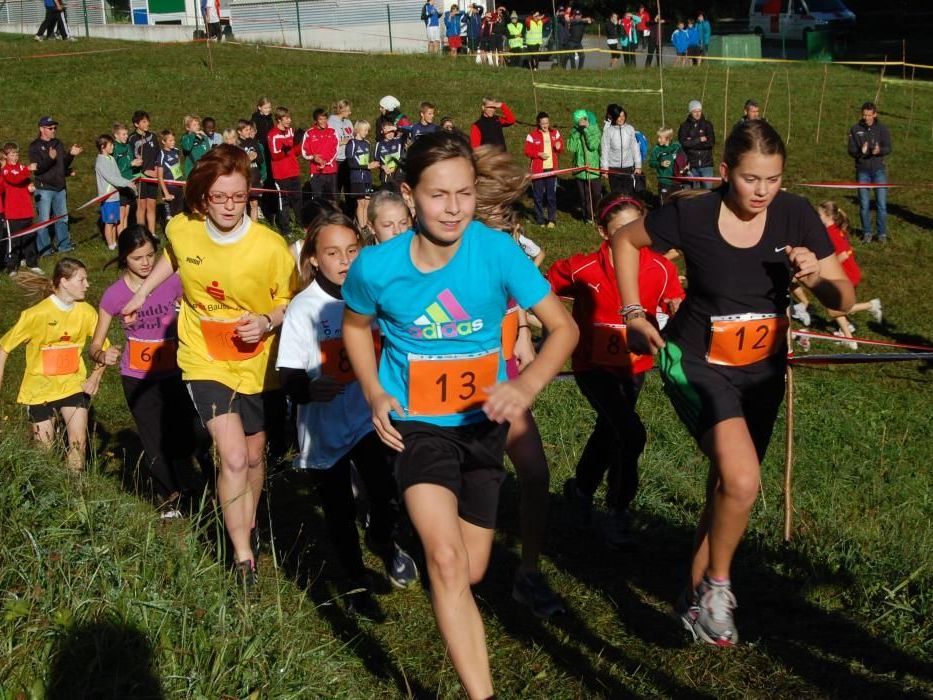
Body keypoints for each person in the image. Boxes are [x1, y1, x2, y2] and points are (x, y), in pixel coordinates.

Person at [341, 131, 577, 699]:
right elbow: (354, 327)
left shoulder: (496, 253)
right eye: (438, 195)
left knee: (469, 570)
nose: (453, 208)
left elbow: (564, 327)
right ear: (409, 195)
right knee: (447, 563)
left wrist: (525, 385)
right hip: (416, 425)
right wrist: (374, 391)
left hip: (481, 425)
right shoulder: (376, 267)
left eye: (464, 194)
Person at [612, 120, 854, 647]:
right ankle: (719, 588)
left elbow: (846, 298)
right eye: (750, 179)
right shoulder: (694, 214)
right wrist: (633, 312)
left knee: (729, 488)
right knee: (743, 480)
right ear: (725, 172)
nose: (763, 191)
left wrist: (816, 277)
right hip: (698, 363)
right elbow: (625, 241)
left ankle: (695, 598)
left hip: (762, 373)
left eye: (774, 179)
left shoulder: (796, 214)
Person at [120, 145, 298, 588]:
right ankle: (242, 558)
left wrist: (266, 320)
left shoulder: (270, 247)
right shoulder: (183, 227)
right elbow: (175, 256)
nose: (229, 206)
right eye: (219, 197)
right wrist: (142, 293)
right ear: (202, 196)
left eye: (238, 196)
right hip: (203, 355)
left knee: (253, 456)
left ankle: (247, 523)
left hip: (257, 360)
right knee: (232, 455)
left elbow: (291, 300)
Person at [277, 211, 419, 617]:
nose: (344, 261)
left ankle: (382, 540)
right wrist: (308, 390)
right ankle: (357, 585)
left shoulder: (372, 295)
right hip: (323, 431)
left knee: (385, 491)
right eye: (332, 253)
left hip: (367, 419)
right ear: (313, 258)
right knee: (339, 512)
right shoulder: (304, 308)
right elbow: (287, 375)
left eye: (351, 251)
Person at [550, 193, 684, 547]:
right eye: (622, 228)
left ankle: (580, 490)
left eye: (637, 226)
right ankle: (618, 509)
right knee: (631, 433)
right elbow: (543, 288)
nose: (631, 233)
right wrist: (551, 325)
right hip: (591, 365)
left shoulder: (661, 268)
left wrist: (676, 308)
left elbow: (675, 300)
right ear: (603, 231)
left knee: (610, 430)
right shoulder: (581, 268)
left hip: (634, 366)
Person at [471, 145, 563, 617]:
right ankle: (452, 566)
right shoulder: (445, 243)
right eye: (498, 206)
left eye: (509, 207)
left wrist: (523, 327)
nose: (506, 217)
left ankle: (528, 572)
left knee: (535, 472)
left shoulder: (504, 243)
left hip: (504, 377)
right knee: (467, 483)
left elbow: (521, 296)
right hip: (454, 384)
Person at [89, 226, 198, 518]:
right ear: (124, 258)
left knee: (185, 433)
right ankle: (168, 498)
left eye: (150, 255)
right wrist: (102, 355)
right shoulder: (114, 295)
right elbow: (95, 345)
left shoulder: (172, 281)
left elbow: (195, 308)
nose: (146, 263)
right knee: (153, 439)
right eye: (137, 258)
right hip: (137, 378)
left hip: (175, 372)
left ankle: (185, 479)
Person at [0, 259, 107, 472]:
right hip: (40, 390)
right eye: (82, 280)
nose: (87, 285)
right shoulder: (35, 315)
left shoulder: (86, 312)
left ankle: (75, 488)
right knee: (44, 452)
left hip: (73, 385)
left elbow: (104, 348)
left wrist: (95, 377)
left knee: (78, 443)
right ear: (64, 282)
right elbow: (3, 348)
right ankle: (46, 487)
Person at [790, 201, 883, 348]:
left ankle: (870, 306)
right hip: (850, 273)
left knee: (834, 308)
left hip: (846, 275)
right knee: (834, 307)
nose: (816, 218)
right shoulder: (835, 230)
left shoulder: (830, 234)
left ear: (828, 216)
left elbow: (844, 254)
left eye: (819, 215)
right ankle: (848, 335)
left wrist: (825, 266)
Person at [29, 116, 81, 257]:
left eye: (55, 128)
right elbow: (38, 169)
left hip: (60, 188)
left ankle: (64, 246)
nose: (53, 130)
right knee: (44, 221)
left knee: (62, 218)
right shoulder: (34, 146)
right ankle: (45, 251)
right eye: (50, 128)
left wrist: (71, 155)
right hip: (44, 189)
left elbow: (62, 164)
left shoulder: (58, 143)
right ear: (41, 129)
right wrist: (50, 158)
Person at [847, 101, 892, 243]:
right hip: (862, 171)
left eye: (869, 115)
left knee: (881, 205)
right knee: (864, 205)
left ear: (875, 114)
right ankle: (867, 233)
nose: (866, 118)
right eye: (864, 115)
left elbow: (888, 147)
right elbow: (851, 150)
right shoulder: (855, 129)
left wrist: (880, 151)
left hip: (879, 171)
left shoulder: (882, 129)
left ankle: (881, 234)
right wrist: (861, 151)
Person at [2, 143, 41, 275]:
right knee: (14, 241)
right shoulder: (5, 170)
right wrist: (28, 169)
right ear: (6, 156)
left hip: (26, 210)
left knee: (29, 239)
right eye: (12, 154)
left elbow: (25, 182)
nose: (15, 157)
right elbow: (15, 180)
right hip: (13, 212)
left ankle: (32, 263)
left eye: (16, 154)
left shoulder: (22, 168)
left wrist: (30, 188)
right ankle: (12, 267)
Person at [94, 135, 137, 250]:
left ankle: (114, 242)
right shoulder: (100, 162)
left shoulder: (111, 159)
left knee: (114, 221)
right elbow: (111, 178)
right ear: (103, 147)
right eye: (111, 145)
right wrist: (126, 183)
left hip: (115, 196)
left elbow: (118, 175)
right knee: (109, 222)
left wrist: (128, 182)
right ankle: (110, 244)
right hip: (108, 198)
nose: (113, 147)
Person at [524, 111, 563, 228]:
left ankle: (552, 220)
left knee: (551, 196)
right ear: (538, 123)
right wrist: (538, 154)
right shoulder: (531, 135)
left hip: (551, 169)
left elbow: (561, 147)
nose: (545, 125)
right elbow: (527, 151)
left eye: (547, 122)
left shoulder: (555, 133)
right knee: (538, 196)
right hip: (538, 170)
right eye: (543, 123)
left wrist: (559, 146)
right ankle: (540, 220)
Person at [268, 106, 302, 233]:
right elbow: (275, 155)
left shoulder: (291, 131)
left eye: (289, 118)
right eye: (286, 118)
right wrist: (285, 150)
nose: (289, 120)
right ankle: (285, 229)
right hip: (281, 174)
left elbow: (295, 152)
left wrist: (298, 144)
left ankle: (300, 224)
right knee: (284, 202)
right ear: (279, 119)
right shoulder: (273, 134)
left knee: (298, 199)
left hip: (294, 171)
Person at [567, 108, 602, 224]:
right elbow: (571, 148)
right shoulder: (575, 131)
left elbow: (593, 146)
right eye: (578, 121)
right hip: (580, 168)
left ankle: (598, 214)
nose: (581, 122)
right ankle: (588, 217)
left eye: (583, 119)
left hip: (593, 168)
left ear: (587, 119)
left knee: (596, 194)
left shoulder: (595, 129)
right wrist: (577, 132)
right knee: (584, 196)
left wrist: (586, 130)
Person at [128, 111, 159, 235]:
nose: (147, 124)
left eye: (148, 121)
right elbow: (131, 158)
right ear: (136, 124)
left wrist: (156, 169)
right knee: (142, 206)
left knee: (151, 205)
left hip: (153, 176)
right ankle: (142, 234)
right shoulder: (132, 139)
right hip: (140, 177)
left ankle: (152, 233)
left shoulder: (153, 136)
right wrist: (144, 171)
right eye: (144, 122)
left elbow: (158, 155)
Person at [345, 120, 380, 230]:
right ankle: (362, 227)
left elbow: (366, 161)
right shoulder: (352, 143)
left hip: (367, 178)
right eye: (365, 130)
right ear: (358, 130)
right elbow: (351, 163)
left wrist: (372, 165)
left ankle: (366, 226)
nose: (367, 132)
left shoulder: (367, 143)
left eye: (368, 130)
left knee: (367, 203)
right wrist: (367, 166)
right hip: (357, 178)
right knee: (361, 203)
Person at [601, 104, 642, 196]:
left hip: (628, 168)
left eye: (623, 116)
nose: (621, 118)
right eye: (619, 116)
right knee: (616, 195)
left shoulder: (630, 129)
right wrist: (604, 169)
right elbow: (605, 150)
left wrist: (638, 166)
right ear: (614, 117)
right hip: (613, 169)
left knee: (629, 194)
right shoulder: (608, 131)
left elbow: (635, 148)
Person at [302, 108, 339, 206]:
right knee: (317, 199)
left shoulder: (332, 132)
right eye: (320, 119)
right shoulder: (309, 133)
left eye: (325, 119)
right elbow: (304, 152)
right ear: (315, 120)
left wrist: (325, 162)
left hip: (331, 171)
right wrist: (313, 157)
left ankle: (333, 215)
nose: (323, 121)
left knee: (332, 199)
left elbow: (335, 149)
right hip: (316, 172)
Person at [679, 100, 716, 189]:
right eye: (695, 111)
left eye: (699, 111)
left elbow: (710, 143)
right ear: (690, 112)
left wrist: (691, 142)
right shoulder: (684, 126)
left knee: (708, 191)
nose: (697, 113)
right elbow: (684, 143)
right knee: (694, 192)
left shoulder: (707, 125)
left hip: (706, 165)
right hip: (691, 165)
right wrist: (699, 139)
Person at [112, 122, 139, 235]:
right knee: (121, 214)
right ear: (116, 135)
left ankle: (125, 236)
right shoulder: (114, 148)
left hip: (130, 182)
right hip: (121, 184)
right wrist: (130, 164)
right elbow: (116, 168)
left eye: (127, 134)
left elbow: (130, 162)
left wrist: (136, 163)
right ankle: (121, 237)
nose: (126, 136)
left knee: (126, 214)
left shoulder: (128, 146)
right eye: (123, 134)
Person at [236, 119, 266, 222]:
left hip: (254, 177)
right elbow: (236, 163)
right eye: (246, 130)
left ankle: (254, 226)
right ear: (239, 131)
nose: (249, 132)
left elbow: (261, 159)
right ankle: (241, 225)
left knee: (254, 203)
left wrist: (255, 157)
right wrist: (247, 158)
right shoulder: (237, 144)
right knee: (243, 204)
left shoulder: (253, 142)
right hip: (243, 178)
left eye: (249, 129)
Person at [327, 99, 354, 209]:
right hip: (337, 160)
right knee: (336, 189)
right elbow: (329, 142)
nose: (350, 113)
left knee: (349, 189)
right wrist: (344, 142)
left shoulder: (348, 122)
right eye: (348, 110)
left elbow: (352, 136)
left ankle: (350, 212)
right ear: (341, 110)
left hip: (348, 159)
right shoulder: (331, 122)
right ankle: (335, 212)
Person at [648, 126, 686, 203]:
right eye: (658, 137)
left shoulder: (677, 146)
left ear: (667, 138)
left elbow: (684, 158)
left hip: (677, 181)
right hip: (664, 181)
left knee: (678, 203)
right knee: (665, 203)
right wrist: (660, 164)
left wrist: (685, 166)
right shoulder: (656, 149)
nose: (658, 139)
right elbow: (651, 162)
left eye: (660, 138)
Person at [157, 130, 185, 221]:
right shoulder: (162, 155)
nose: (173, 142)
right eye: (170, 140)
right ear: (163, 142)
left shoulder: (176, 151)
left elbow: (178, 167)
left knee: (180, 213)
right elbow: (160, 177)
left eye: (174, 140)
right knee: (170, 216)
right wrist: (166, 193)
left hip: (178, 187)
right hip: (169, 188)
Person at [373, 122, 406, 193]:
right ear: (383, 132)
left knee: (398, 197)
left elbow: (408, 131)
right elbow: (376, 161)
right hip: (386, 176)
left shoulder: (399, 141)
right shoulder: (379, 144)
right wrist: (383, 167)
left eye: (392, 131)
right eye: (388, 132)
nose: (390, 134)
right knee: (386, 197)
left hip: (398, 176)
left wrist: (395, 128)